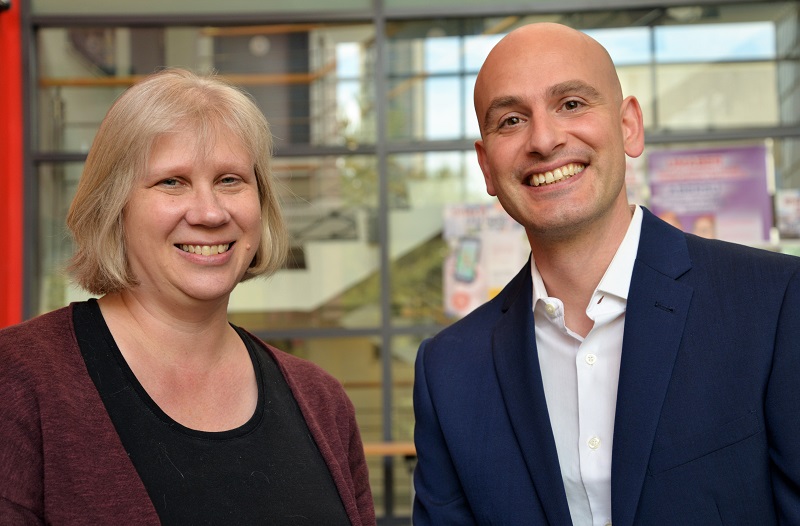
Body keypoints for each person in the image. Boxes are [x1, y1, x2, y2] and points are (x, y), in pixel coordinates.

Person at [412, 22, 800, 525]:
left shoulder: (773, 305)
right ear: (486, 166)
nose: (545, 140)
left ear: (629, 126)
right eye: (510, 120)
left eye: (571, 103)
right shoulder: (448, 372)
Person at [0, 68, 375, 525]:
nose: (210, 212)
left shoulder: (324, 403)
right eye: (172, 181)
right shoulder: (19, 381)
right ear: (115, 207)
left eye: (230, 180)